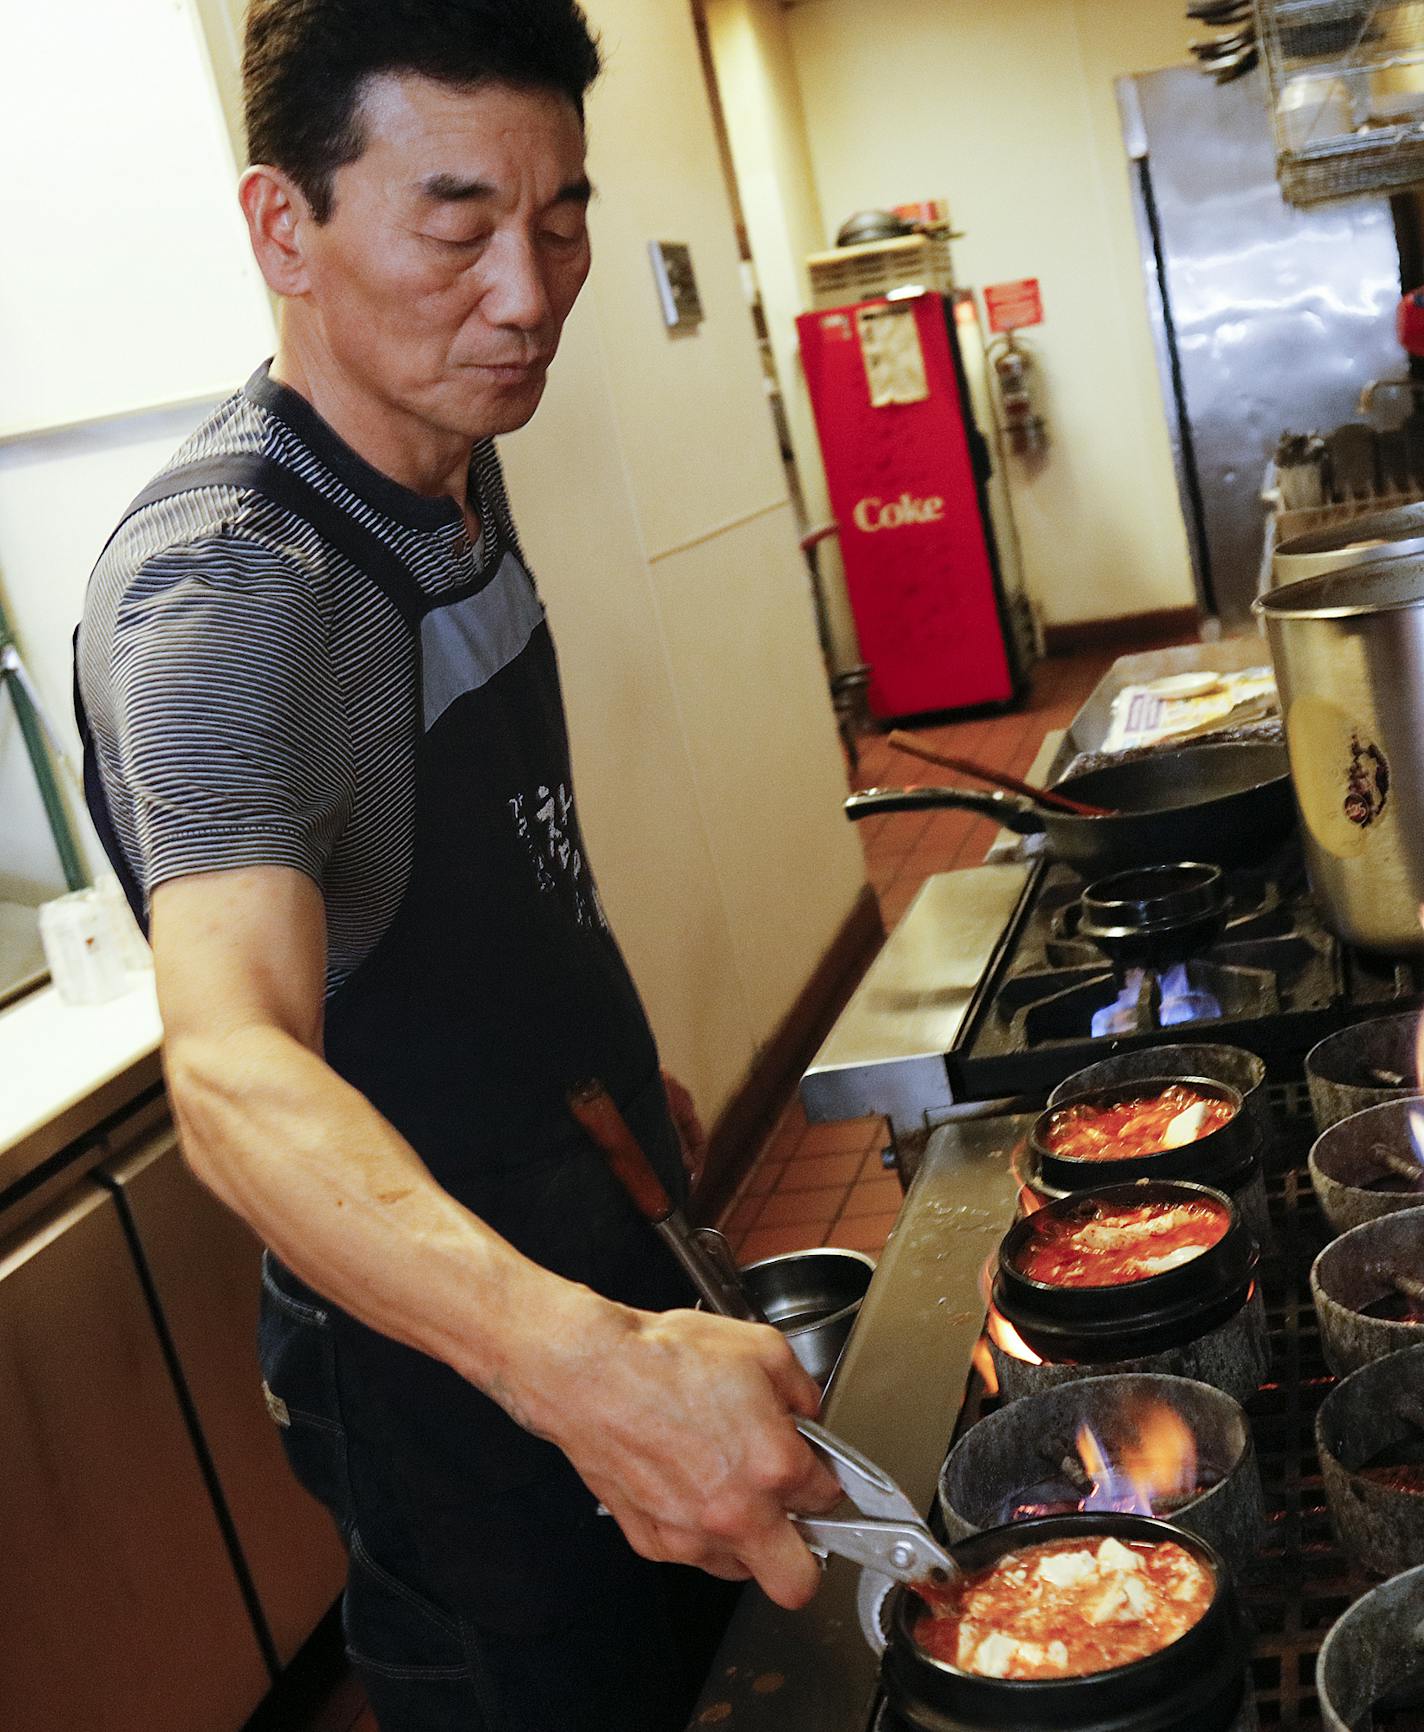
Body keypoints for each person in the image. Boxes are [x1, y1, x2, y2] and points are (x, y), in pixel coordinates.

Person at [74, 3, 841, 1727]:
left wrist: (599, 1071)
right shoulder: (234, 589)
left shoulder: (444, 465)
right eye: (455, 224)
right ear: (287, 227)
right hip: (452, 1372)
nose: (528, 292)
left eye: (559, 217)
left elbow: (462, 876)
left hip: (588, 1229)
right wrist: (581, 1362)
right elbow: (232, 1065)